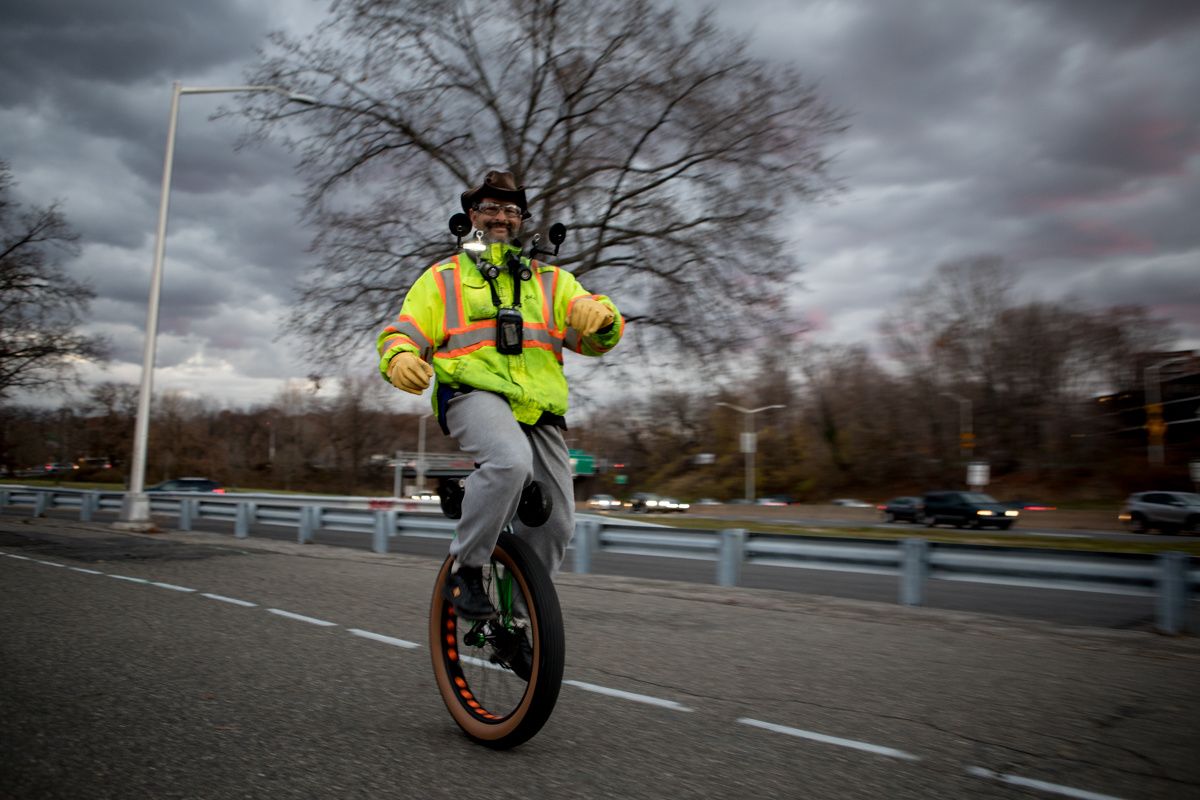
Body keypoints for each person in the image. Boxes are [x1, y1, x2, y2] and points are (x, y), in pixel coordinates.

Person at [377, 169, 622, 624]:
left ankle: (519, 624)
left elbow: (593, 339)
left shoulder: (551, 281)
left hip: (539, 407)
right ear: (472, 216)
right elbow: (402, 333)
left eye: (511, 210)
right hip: (473, 393)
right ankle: (465, 569)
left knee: (557, 523)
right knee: (510, 461)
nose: (501, 217)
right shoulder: (443, 277)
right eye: (491, 208)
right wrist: (398, 358)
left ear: (522, 220)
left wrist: (604, 318)